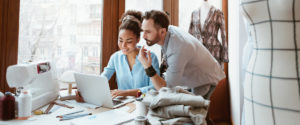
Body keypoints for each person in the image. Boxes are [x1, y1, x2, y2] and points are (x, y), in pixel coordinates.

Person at [138, 10, 225, 98]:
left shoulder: (177, 48)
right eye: (143, 31)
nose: (143, 36)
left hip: (205, 81)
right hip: (194, 76)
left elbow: (166, 90)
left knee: (195, 110)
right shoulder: (168, 31)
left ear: (162, 32)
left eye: (148, 32)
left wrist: (147, 67)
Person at [101, 10, 160, 98]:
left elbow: (154, 89)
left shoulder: (150, 57)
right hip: (123, 104)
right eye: (120, 40)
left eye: (129, 41)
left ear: (138, 39)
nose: (123, 45)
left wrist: (126, 93)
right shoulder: (115, 58)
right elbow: (102, 78)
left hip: (144, 104)